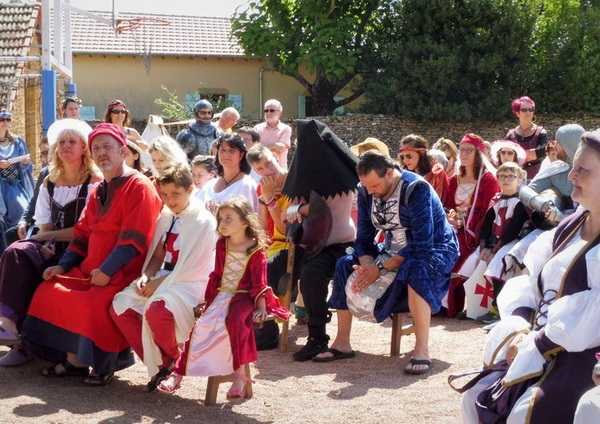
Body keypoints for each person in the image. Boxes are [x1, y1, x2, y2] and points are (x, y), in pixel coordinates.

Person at [460, 130, 600, 423]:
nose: (571, 176)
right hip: (537, 342)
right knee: (475, 397)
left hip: (583, 356)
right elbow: (531, 280)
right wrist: (521, 326)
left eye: (582, 170)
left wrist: (536, 343)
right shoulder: (572, 224)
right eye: (573, 166)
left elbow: (591, 318)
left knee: (527, 413)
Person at [21, 123, 162, 386]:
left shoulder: (139, 185)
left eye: (107, 147)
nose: (101, 153)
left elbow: (134, 241)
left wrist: (107, 272)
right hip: (90, 269)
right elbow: (83, 235)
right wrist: (63, 266)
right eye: (96, 148)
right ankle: (75, 361)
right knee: (49, 290)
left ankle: (104, 365)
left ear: (123, 150)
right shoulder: (97, 190)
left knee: (94, 303)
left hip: (123, 271)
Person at [313, 151, 458, 374]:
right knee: (344, 263)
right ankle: (342, 343)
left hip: (434, 248)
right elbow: (363, 237)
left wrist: (380, 269)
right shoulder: (365, 189)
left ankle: (421, 349)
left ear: (390, 172)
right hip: (392, 249)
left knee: (416, 266)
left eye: (375, 186)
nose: (370, 192)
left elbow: (422, 243)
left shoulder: (416, 188)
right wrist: (367, 266)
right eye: (366, 187)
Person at [158, 198, 290, 398]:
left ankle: (239, 376)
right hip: (221, 294)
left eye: (229, 218)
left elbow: (259, 283)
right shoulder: (222, 244)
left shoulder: (255, 249)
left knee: (236, 321)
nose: (222, 223)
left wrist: (261, 307)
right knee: (201, 326)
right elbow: (217, 276)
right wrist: (209, 301)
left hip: (245, 297)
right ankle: (178, 373)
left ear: (245, 222)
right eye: (221, 218)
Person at [0, 120, 101, 365]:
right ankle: (11, 327)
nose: (66, 146)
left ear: (84, 149)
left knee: (36, 266)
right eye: (62, 142)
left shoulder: (94, 181)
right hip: (53, 245)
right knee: (16, 252)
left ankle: (32, 346)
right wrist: (44, 243)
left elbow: (86, 231)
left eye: (72, 142)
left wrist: (45, 238)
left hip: (81, 250)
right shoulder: (50, 180)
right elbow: (45, 226)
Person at [111, 164, 217, 392]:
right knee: (120, 306)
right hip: (164, 276)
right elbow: (158, 254)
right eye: (165, 194)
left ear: (190, 189)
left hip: (190, 282)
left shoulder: (203, 221)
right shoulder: (167, 215)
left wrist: (158, 284)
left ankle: (174, 361)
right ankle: (162, 364)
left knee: (158, 310)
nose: (170, 200)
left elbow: (193, 266)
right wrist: (145, 276)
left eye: (176, 194)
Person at [282, 119, 358, 362]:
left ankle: (321, 338)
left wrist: (300, 208)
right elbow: (289, 213)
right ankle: (279, 330)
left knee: (312, 272)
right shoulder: (305, 175)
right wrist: (297, 208)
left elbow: (320, 209)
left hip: (343, 245)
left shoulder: (343, 173)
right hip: (313, 244)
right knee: (290, 270)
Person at [457, 162, 529, 324]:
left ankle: (496, 308)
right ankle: (475, 306)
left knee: (497, 265)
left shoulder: (522, 202)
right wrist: (483, 246)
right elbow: (487, 225)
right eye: (502, 176)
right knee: (469, 265)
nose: (506, 179)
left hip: (512, 241)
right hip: (492, 242)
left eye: (511, 176)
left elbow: (513, 228)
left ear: (519, 180)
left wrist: (495, 250)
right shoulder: (496, 199)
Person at [444, 134, 500, 317]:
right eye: (462, 149)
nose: (464, 153)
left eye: (469, 150)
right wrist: (452, 215)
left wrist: (465, 221)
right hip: (454, 226)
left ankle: (453, 306)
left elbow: (488, 210)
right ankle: (442, 305)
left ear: (479, 153)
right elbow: (448, 204)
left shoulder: (488, 179)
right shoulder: (454, 180)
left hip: (474, 230)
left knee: (456, 250)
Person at [0, 109, 34, 253]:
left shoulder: (18, 141)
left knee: (22, 210)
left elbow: (27, 168)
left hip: (15, 187)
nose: (5, 123)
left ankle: (19, 251)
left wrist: (25, 163)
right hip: (1, 188)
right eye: (2, 119)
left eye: (8, 119)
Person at [202, 133, 258, 212]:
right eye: (222, 150)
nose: (226, 154)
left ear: (241, 155)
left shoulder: (246, 186)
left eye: (231, 151)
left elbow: (252, 218)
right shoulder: (210, 184)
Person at [398, 134, 449, 204]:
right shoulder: (403, 176)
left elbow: (436, 203)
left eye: (409, 156)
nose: (405, 160)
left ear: (421, 153)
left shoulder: (437, 173)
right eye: (402, 157)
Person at [506, 96, 548, 180]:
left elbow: (543, 151)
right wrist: (531, 154)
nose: (528, 112)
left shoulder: (540, 132)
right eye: (524, 110)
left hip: (536, 175)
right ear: (517, 113)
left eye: (531, 110)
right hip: (514, 176)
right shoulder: (511, 134)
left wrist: (518, 155)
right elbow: (503, 153)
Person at [253, 99, 292, 169]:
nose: (268, 113)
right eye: (266, 110)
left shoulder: (286, 129)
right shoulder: (257, 129)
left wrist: (262, 148)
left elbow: (280, 149)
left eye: (272, 110)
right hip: (259, 172)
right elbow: (254, 150)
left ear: (280, 113)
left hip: (279, 171)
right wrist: (274, 145)